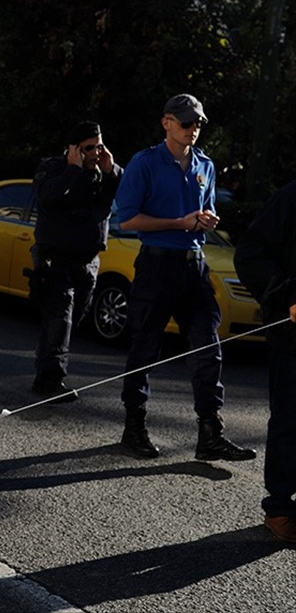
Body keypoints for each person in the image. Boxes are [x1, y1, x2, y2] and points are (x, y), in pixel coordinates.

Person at [113, 93, 254, 461]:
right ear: (167, 123)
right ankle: (134, 428)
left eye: (198, 123)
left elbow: (203, 212)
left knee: (208, 347)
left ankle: (210, 434)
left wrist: (206, 220)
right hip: (157, 265)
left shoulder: (206, 165)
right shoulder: (144, 163)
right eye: (187, 122)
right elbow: (126, 220)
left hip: (194, 265)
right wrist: (179, 222)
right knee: (145, 348)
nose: (194, 129)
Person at [28, 121, 121, 402]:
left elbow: (124, 196)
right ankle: (50, 381)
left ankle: (45, 369)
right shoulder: (54, 169)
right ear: (73, 149)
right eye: (88, 148)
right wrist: (72, 168)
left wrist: (112, 171)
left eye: (99, 146)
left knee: (71, 320)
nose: (95, 152)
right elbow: (47, 195)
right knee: (61, 319)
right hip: (56, 260)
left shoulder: (103, 174)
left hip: (88, 262)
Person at [233, 181, 296, 543]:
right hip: (293, 336)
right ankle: (281, 507)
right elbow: (250, 254)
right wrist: (287, 295)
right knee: (290, 420)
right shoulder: (289, 199)